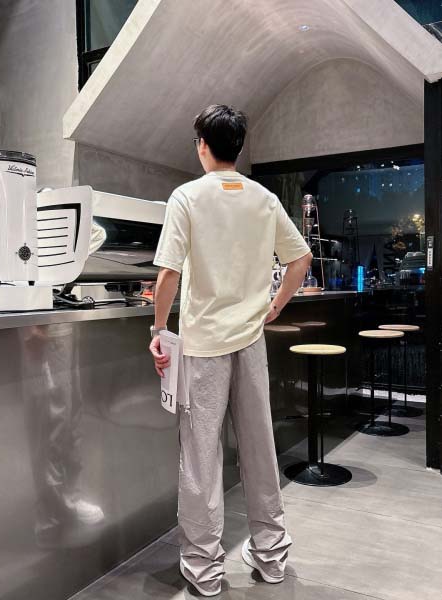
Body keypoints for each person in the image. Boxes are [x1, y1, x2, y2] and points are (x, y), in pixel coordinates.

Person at [149, 104, 311, 597]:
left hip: (203, 347)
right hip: (251, 341)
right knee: (260, 448)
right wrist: (274, 306)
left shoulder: (187, 197)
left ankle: (203, 569)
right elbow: (301, 258)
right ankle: (272, 557)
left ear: (203, 145)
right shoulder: (263, 198)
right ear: (237, 147)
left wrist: (158, 328)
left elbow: (168, 273)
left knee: (201, 457)